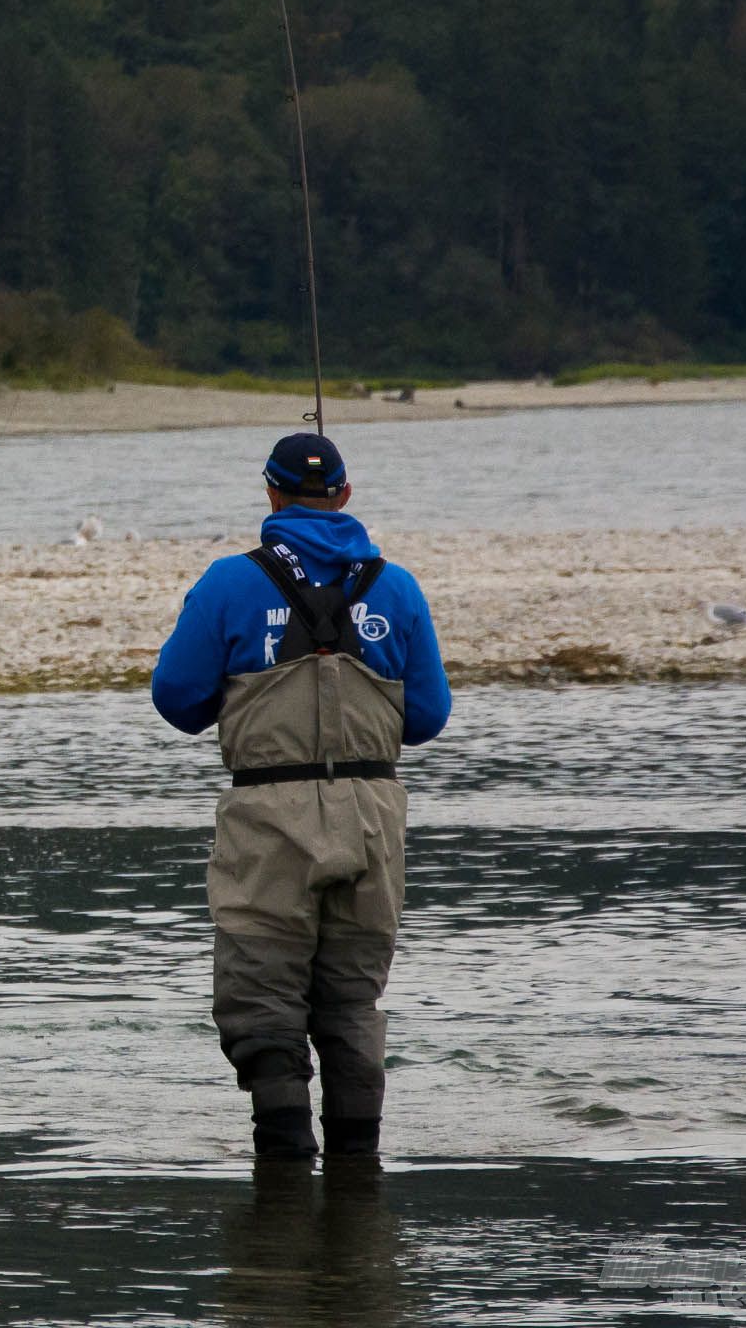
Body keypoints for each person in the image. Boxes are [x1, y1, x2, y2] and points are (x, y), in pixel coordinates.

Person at [151, 432, 450, 1159]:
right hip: (374, 821)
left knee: (263, 1002)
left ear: (271, 496)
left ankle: (282, 1181)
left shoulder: (227, 583)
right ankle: (358, 1175)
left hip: (268, 820)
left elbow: (177, 701)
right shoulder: (398, 587)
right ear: (345, 496)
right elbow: (427, 718)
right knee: (351, 1002)